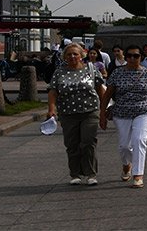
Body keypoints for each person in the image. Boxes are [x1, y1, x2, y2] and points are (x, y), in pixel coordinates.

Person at [100, 45, 147, 189]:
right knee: (124, 146)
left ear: (141, 58)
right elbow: (107, 95)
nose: (132, 58)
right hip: (122, 112)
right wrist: (102, 114)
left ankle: (138, 175)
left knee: (139, 140)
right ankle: (127, 165)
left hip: (144, 111)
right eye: (129, 56)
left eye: (136, 56)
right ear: (125, 57)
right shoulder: (117, 74)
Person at [48, 42, 105, 186]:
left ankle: (91, 173)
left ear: (81, 55)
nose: (72, 56)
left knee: (88, 142)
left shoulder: (91, 69)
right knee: (72, 144)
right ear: (64, 57)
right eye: (69, 54)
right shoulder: (59, 72)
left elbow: (100, 89)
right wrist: (51, 109)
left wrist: (104, 109)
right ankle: (75, 174)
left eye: (75, 54)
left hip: (90, 111)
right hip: (68, 113)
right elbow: (53, 91)